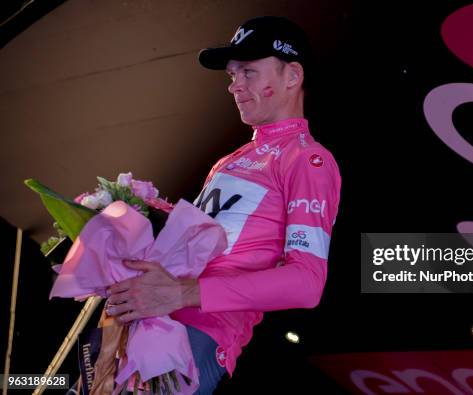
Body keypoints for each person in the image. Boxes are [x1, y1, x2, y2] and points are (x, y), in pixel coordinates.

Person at [105, 16, 341, 394]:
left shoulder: (308, 159)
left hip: (199, 336)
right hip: (146, 319)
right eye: (232, 75)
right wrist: (129, 218)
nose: (235, 86)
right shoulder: (229, 160)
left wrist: (182, 293)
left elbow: (307, 283)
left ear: (292, 76)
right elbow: (194, 245)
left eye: (248, 71)